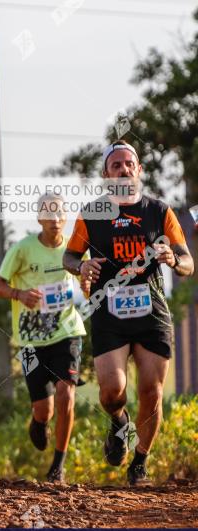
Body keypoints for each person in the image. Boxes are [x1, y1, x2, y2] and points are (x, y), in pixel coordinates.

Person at [63, 140, 193, 485]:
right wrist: (82, 266)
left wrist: (173, 260)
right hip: (109, 312)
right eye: (116, 165)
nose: (123, 169)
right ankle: (119, 422)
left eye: (129, 164)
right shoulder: (91, 213)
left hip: (151, 312)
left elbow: (187, 263)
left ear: (139, 171)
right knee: (112, 391)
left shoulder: (159, 211)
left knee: (151, 391)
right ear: (106, 175)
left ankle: (140, 463)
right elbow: (69, 257)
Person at [0, 193, 86, 482]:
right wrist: (19, 294)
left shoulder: (75, 248)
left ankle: (59, 464)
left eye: (59, 214)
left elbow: (89, 282)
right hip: (31, 339)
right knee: (44, 409)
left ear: (65, 217)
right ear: (39, 218)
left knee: (66, 393)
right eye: (49, 213)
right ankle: (38, 421)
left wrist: (93, 284)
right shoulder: (23, 249)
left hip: (67, 331)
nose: (55, 220)